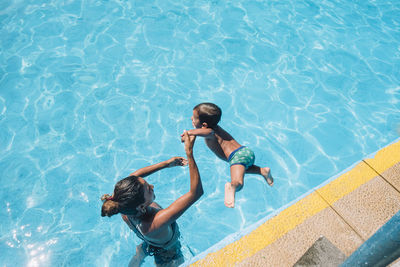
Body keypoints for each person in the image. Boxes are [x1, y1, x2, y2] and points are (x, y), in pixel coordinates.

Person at [101, 132, 202, 267]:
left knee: (142, 252)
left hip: (149, 242)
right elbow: (196, 193)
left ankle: (139, 256)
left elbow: (134, 176)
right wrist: (189, 152)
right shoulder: (155, 222)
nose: (152, 186)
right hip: (168, 255)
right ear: (141, 206)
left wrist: (167, 164)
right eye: (148, 189)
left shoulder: (122, 203)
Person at [181, 102, 273, 208]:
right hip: (245, 152)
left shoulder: (210, 132)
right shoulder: (216, 128)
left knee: (239, 182)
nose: (191, 118)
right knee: (244, 169)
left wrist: (190, 132)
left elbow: (208, 132)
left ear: (204, 125)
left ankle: (232, 187)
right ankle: (263, 171)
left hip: (237, 157)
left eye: (194, 118)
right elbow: (205, 132)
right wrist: (194, 134)